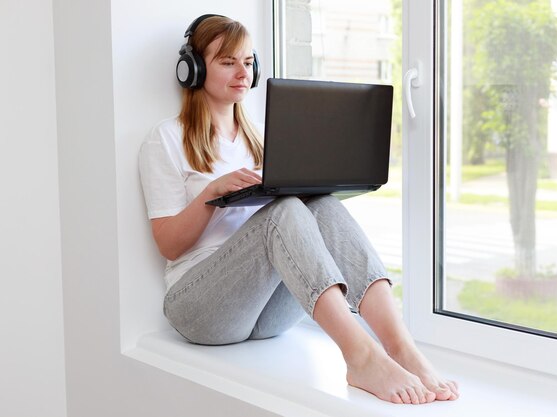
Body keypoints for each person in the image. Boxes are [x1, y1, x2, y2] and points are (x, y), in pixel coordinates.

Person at [139, 14, 459, 405]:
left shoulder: (263, 137)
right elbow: (169, 245)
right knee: (284, 211)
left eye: (247, 61)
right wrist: (212, 192)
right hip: (200, 310)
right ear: (193, 69)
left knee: (318, 202)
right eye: (227, 62)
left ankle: (401, 348)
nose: (242, 72)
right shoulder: (166, 138)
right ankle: (361, 357)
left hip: (266, 314)